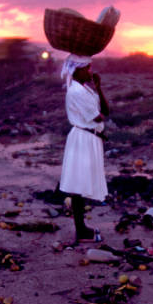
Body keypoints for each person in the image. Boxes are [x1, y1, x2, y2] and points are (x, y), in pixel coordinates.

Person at [59, 54, 109, 244]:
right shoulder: (77, 92)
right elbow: (100, 116)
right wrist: (98, 91)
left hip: (88, 139)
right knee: (78, 186)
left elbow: (106, 111)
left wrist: (99, 88)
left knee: (80, 184)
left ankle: (82, 229)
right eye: (87, 68)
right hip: (83, 140)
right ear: (77, 70)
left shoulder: (84, 89)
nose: (90, 71)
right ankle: (81, 231)